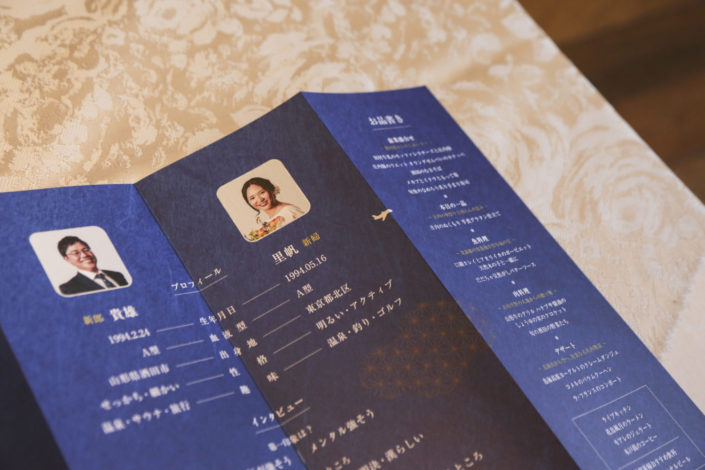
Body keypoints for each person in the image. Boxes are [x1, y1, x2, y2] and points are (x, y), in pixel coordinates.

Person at [57, 236, 128, 295]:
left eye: (85, 249)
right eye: (76, 253)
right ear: (67, 259)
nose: (84, 255)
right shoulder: (68, 288)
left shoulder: (117, 275)